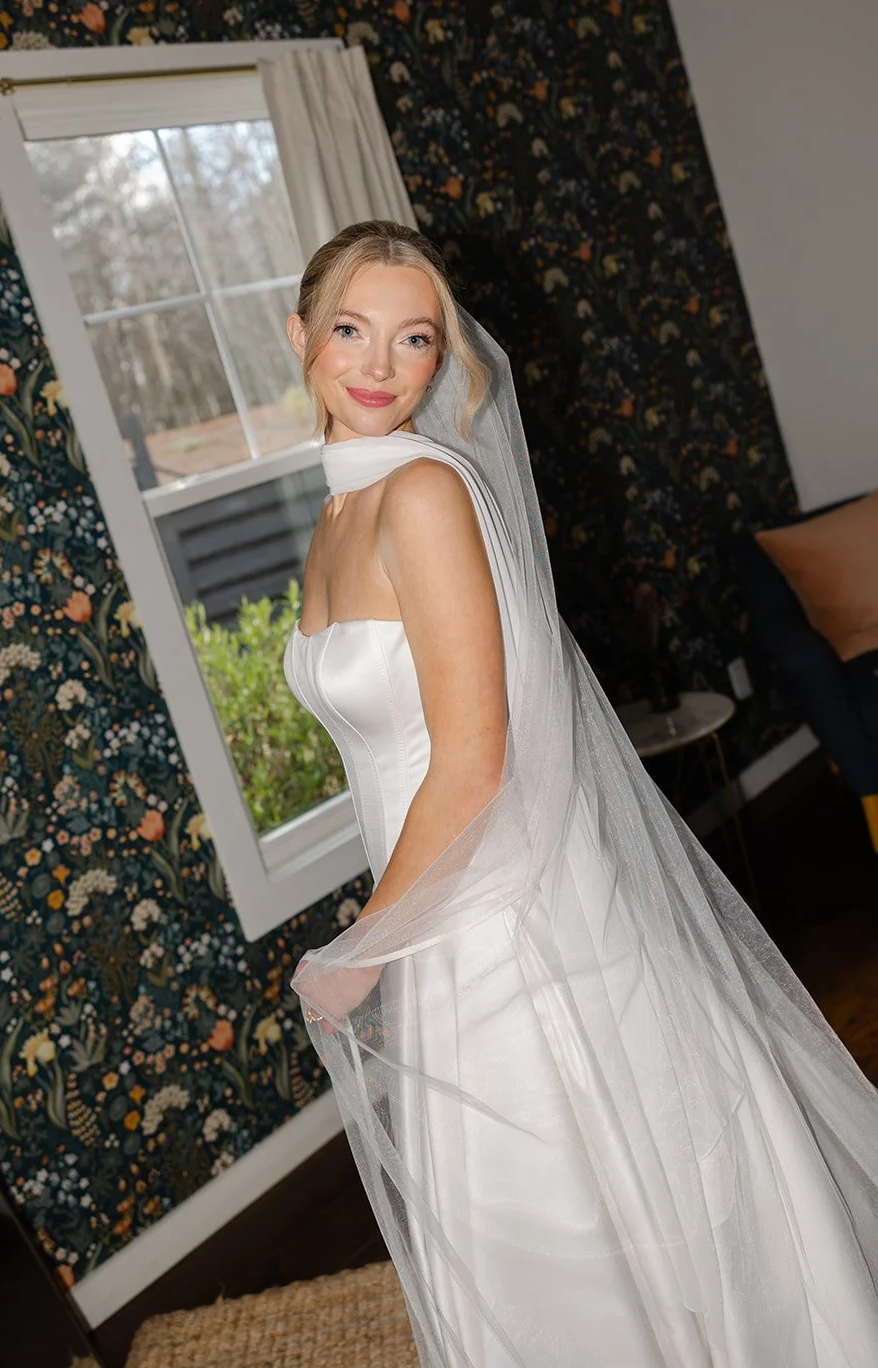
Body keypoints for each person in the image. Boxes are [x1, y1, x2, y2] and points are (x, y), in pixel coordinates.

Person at [281, 220, 878, 1368]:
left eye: (413, 339)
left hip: (503, 913)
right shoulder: (336, 510)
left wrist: (363, 943)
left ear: (440, 358)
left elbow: (473, 761)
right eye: (351, 329)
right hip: (439, 916)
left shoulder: (419, 494)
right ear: (298, 334)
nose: (376, 365)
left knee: (581, 1215)